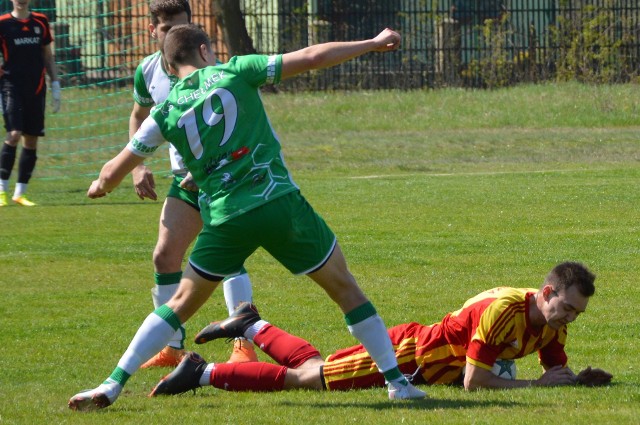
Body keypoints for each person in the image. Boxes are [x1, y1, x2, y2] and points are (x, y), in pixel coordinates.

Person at [68, 24, 425, 412]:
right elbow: (312, 57)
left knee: (180, 303)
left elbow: (113, 170)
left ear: (170, 68)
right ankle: (397, 383)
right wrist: (371, 43)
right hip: (278, 203)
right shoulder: (236, 70)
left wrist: (99, 186)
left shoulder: (165, 111)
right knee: (344, 289)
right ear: (205, 51)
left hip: (226, 218)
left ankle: (112, 383)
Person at [150, 262, 613, 395]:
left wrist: (577, 381)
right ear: (547, 292)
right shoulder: (503, 311)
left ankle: (252, 325)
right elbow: (474, 383)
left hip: (422, 363)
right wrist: (533, 385)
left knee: (316, 367)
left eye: (577, 314)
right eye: (567, 308)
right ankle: (202, 372)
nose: (570, 318)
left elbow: (557, 370)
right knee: (306, 378)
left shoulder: (554, 327)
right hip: (409, 357)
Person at [130, 0, 256, 368]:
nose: (176, 35)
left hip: (221, 176)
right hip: (185, 180)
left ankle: (243, 344)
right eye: (168, 28)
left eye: (183, 26)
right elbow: (139, 115)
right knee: (165, 255)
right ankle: (171, 347)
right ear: (153, 30)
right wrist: (138, 166)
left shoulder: (212, 68)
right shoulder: (147, 71)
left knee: (227, 256)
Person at [0, 0, 60, 207]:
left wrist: (56, 85)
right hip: (11, 87)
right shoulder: (3, 23)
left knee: (31, 139)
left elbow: (47, 56)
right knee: (14, 134)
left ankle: (20, 193)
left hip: (36, 87)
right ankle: (1, 191)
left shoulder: (41, 21)